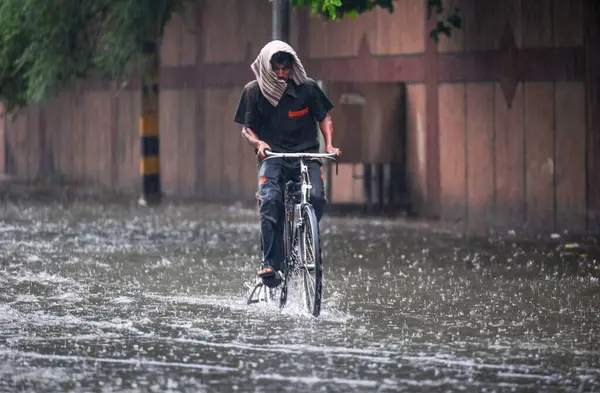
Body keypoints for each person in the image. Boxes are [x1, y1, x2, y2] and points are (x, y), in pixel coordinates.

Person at [234, 40, 342, 288]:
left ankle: (304, 239)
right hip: (272, 156)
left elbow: (324, 117)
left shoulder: (308, 88)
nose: (282, 74)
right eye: (277, 69)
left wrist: (330, 145)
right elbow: (246, 129)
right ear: (266, 66)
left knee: (317, 197)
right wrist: (259, 143)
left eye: (286, 68)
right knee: (270, 200)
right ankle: (270, 263)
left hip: (305, 155)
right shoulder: (253, 91)